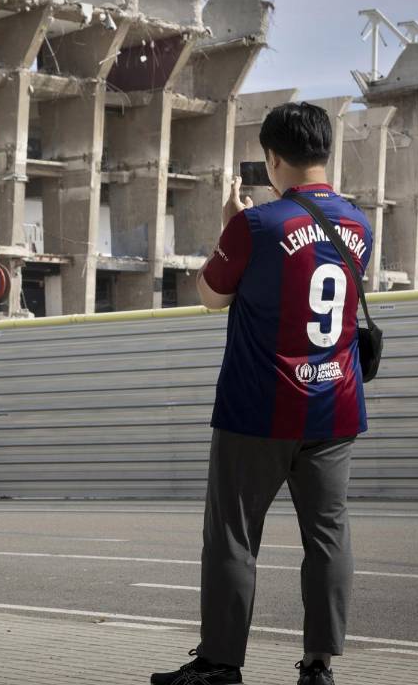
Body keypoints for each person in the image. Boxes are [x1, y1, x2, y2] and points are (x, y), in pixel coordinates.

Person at [151, 103, 373, 685]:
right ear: (325, 152)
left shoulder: (256, 224)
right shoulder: (359, 224)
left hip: (258, 407)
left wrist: (231, 221)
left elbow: (210, 296)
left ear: (273, 158)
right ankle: (319, 668)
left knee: (232, 536)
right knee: (328, 538)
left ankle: (221, 665)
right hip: (336, 407)